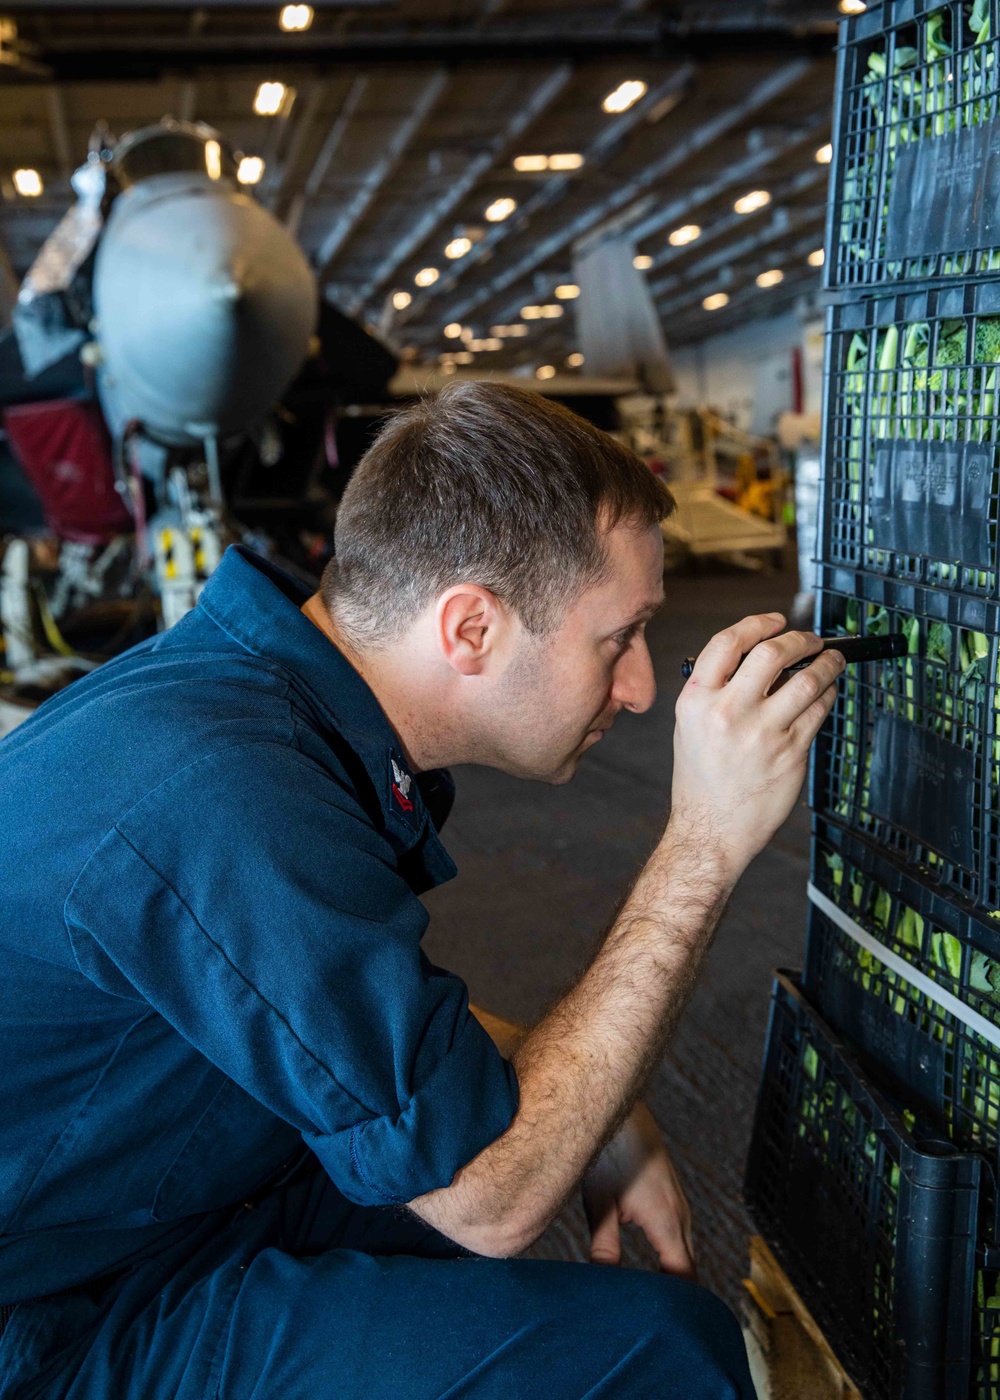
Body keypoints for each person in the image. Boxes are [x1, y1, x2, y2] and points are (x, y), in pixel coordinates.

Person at [0, 381, 842, 1399]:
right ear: (471, 629)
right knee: (657, 1349)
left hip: (146, 1186)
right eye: (618, 637)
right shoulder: (227, 787)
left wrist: (611, 1113)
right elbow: (493, 1191)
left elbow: (329, 1006)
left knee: (500, 1149)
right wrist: (704, 840)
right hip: (61, 1309)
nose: (636, 689)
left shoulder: (255, 699)